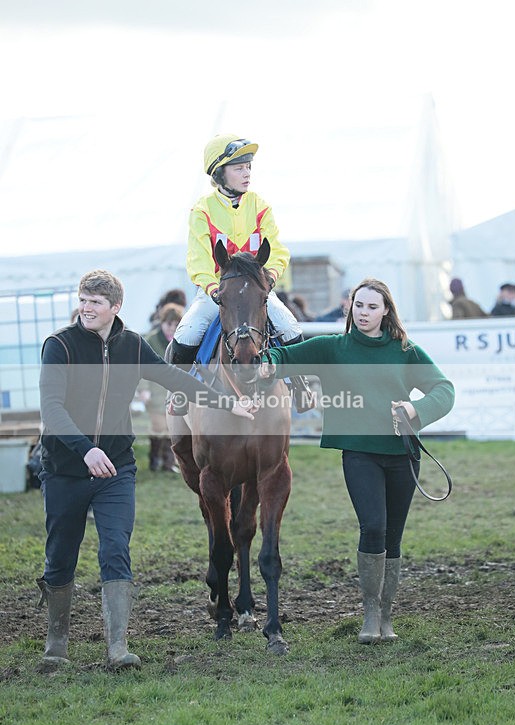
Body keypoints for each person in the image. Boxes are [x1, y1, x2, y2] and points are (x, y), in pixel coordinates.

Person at [37, 270, 255, 671]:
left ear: (115, 307)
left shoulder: (131, 345)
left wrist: (228, 403)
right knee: (60, 556)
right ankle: (56, 646)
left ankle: (118, 648)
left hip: (117, 467)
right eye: (83, 300)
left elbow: (175, 378)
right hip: (66, 468)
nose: (86, 307)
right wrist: (85, 450)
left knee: (116, 550)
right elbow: (52, 408)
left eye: (95, 302)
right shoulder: (60, 346)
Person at [259, 277, 454, 644]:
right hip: (360, 454)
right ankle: (369, 614)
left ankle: (386, 615)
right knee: (374, 527)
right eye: (358, 305)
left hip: (403, 455)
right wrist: (267, 362)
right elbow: (284, 356)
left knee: (393, 538)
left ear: (385, 312)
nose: (363, 313)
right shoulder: (334, 348)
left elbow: (444, 390)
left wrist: (416, 408)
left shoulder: (405, 350)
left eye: (371, 307)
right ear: (349, 307)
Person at [169, 134, 313, 412]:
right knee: (186, 333)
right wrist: (213, 289)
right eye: (239, 168)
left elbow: (279, 251)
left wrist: (269, 277)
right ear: (219, 173)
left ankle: (301, 386)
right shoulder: (202, 211)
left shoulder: (260, 206)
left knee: (290, 326)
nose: (247, 173)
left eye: (249, 167)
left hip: (258, 289)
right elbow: (198, 260)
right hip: (218, 291)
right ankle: (178, 392)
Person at [141, 303, 185, 472]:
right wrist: (143, 388)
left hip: (174, 391)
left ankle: (168, 463)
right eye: (169, 324)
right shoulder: (151, 340)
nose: (171, 329)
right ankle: (154, 458)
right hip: (155, 390)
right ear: (162, 322)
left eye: (175, 325)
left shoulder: (182, 340)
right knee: (158, 426)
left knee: (171, 427)